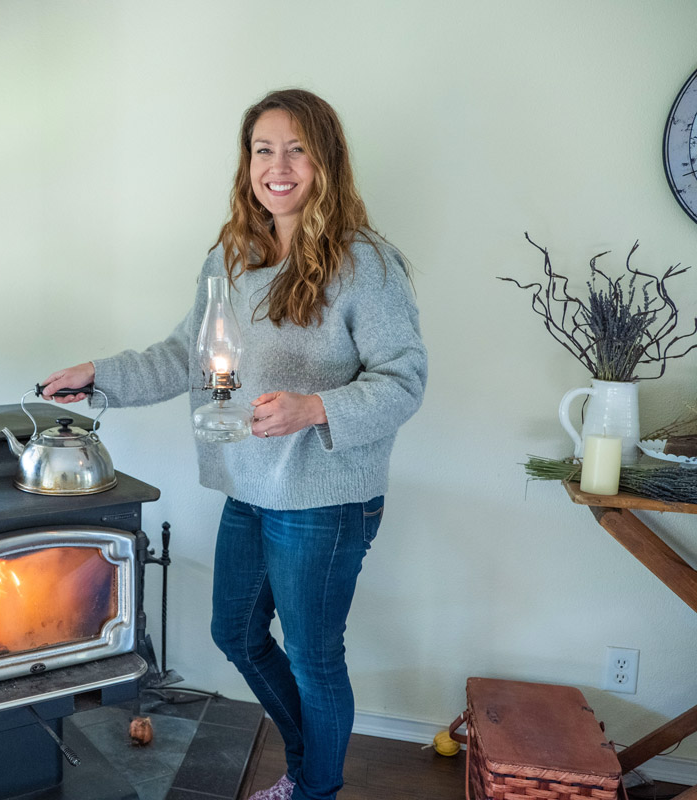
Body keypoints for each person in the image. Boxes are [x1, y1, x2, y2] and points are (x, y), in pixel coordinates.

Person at [40, 88, 427, 800]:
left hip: (326, 500)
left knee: (314, 659)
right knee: (236, 635)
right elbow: (185, 355)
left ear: (326, 160)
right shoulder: (231, 256)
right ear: (247, 161)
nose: (277, 166)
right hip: (248, 487)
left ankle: (315, 788)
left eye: (296, 149)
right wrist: (101, 377)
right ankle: (314, 761)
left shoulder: (364, 263)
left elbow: (405, 381)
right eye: (262, 150)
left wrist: (316, 407)